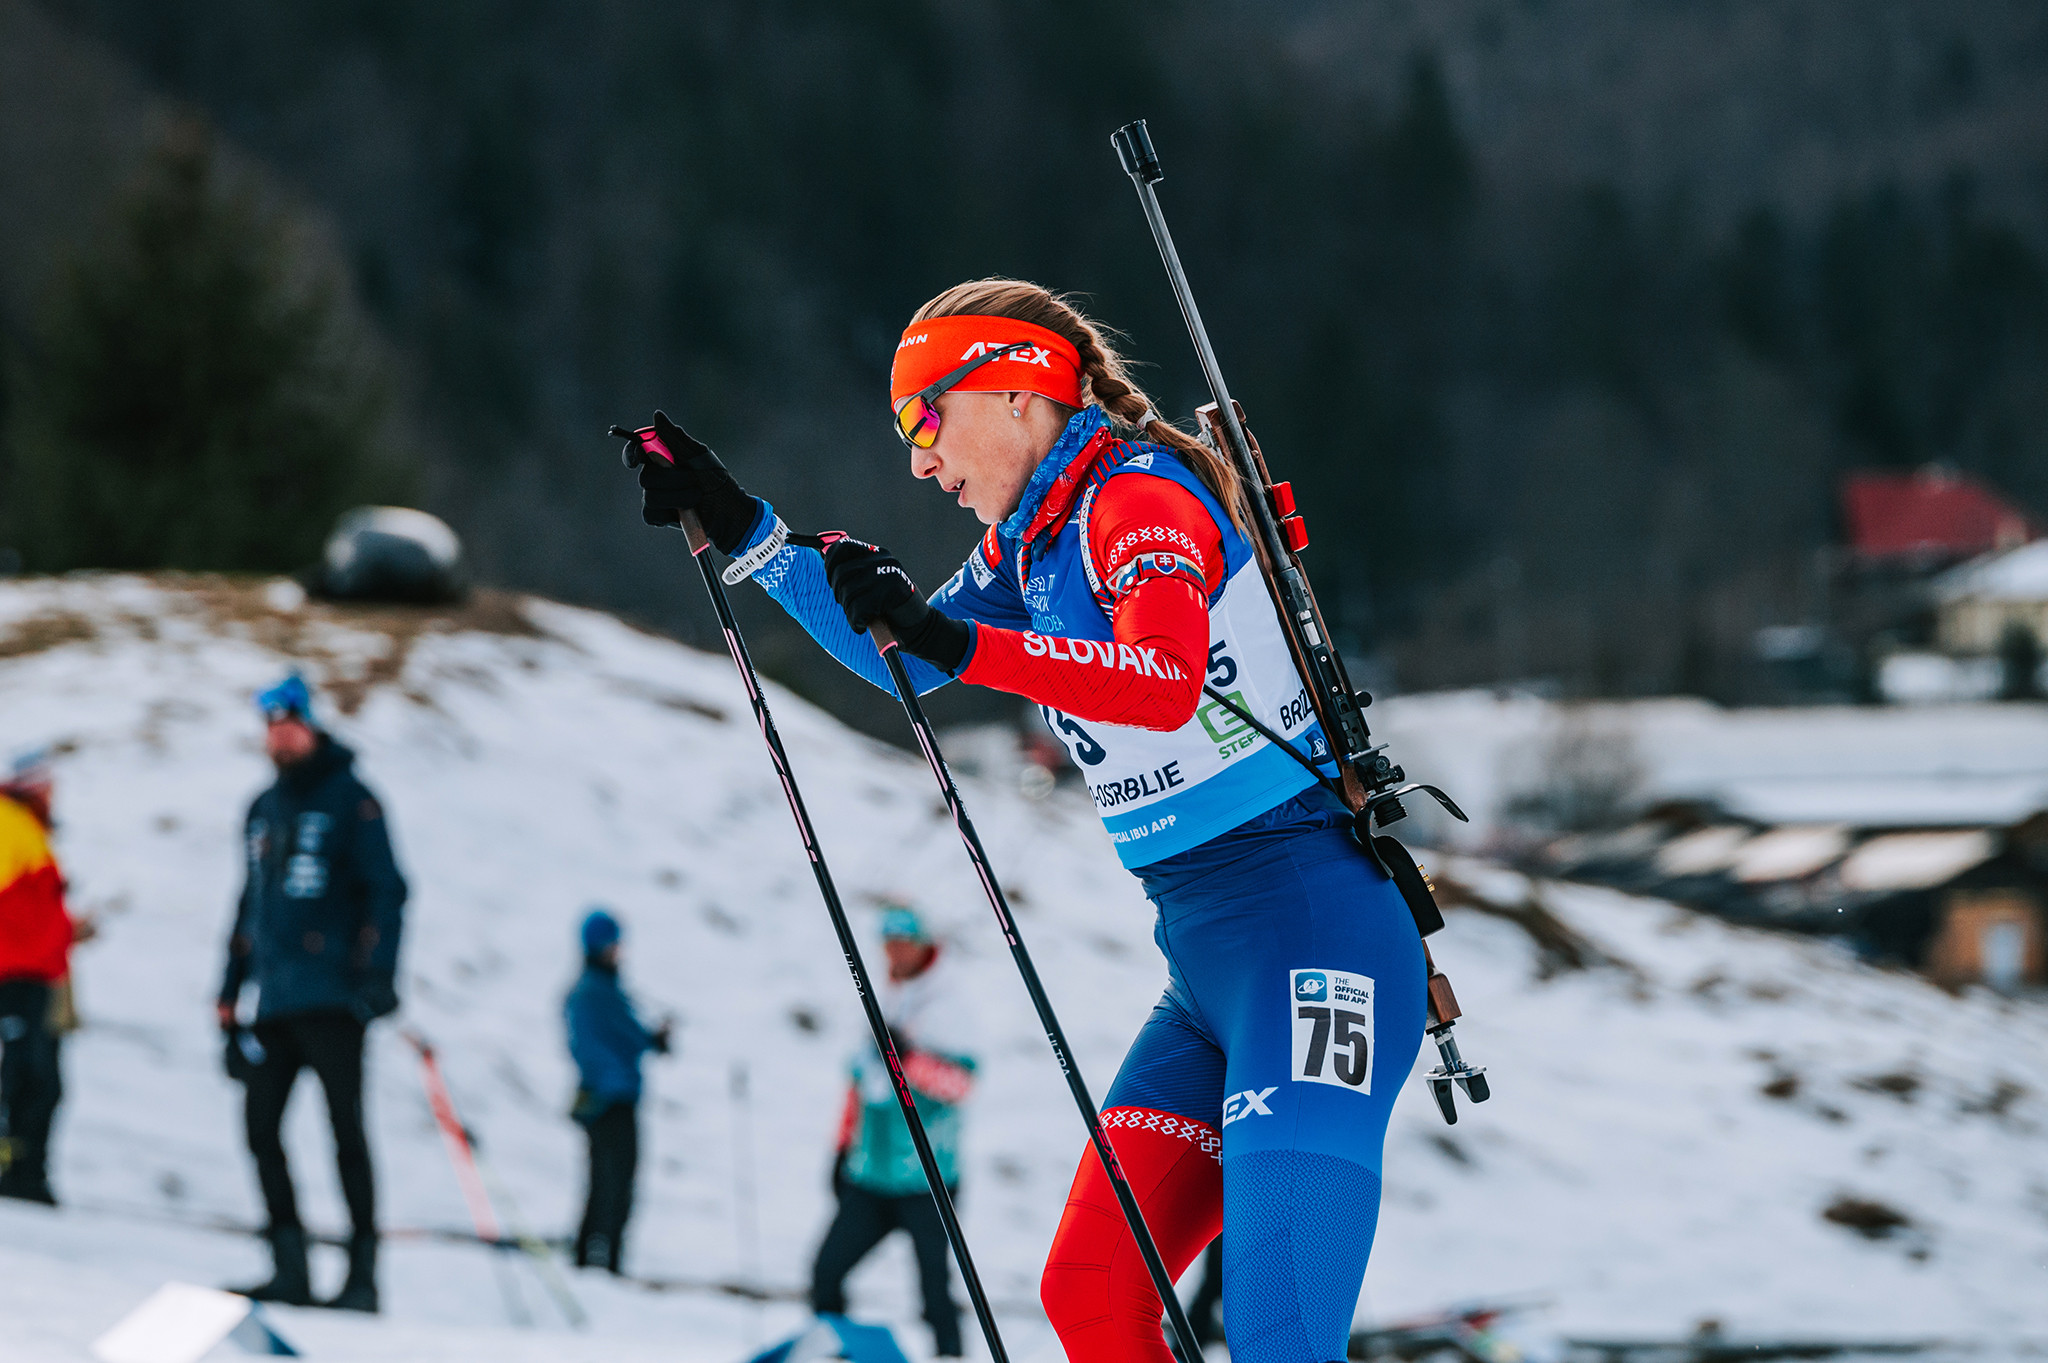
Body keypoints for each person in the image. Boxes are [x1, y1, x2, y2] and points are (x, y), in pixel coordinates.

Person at [619, 279, 1430, 1363]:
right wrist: (745, 531)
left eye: (924, 420)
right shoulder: (1032, 542)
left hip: (1314, 948)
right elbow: (899, 651)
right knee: (1091, 1291)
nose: (919, 460)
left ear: (1011, 392)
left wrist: (950, 642)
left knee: (1281, 1339)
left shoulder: (1137, 500)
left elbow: (1159, 678)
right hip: (1208, 971)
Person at [217, 674, 407, 1311]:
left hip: (334, 999)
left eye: (289, 724)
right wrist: (227, 997)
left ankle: (363, 1277)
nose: (280, 736)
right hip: (273, 1001)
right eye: (270, 727)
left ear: (311, 725)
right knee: (260, 1128)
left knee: (345, 1135)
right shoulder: (262, 809)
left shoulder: (353, 800)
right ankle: (289, 1267)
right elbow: (250, 905)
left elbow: (389, 890)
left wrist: (378, 976)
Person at [809, 906, 976, 1358]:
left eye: (904, 944)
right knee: (826, 1272)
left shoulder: (946, 1007)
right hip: (870, 1174)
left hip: (928, 1180)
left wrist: (912, 1061)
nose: (895, 954)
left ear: (923, 946)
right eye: (888, 945)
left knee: (934, 1293)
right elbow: (859, 1084)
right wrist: (842, 1149)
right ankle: (836, 1349)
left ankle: (950, 1356)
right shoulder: (883, 996)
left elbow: (961, 1085)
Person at [563, 907, 672, 1274]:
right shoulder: (595, 992)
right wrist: (649, 1042)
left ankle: (593, 1260)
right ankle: (602, 1264)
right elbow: (612, 1044)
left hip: (607, 1099)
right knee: (613, 1186)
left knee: (604, 1184)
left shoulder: (597, 989)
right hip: (612, 1101)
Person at [0, 751, 75, 1205]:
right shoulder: (10, 823)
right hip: (16, 976)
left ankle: (27, 1171)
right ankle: (18, 1171)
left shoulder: (28, 828)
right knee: (27, 1077)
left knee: (38, 1079)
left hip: (37, 974)